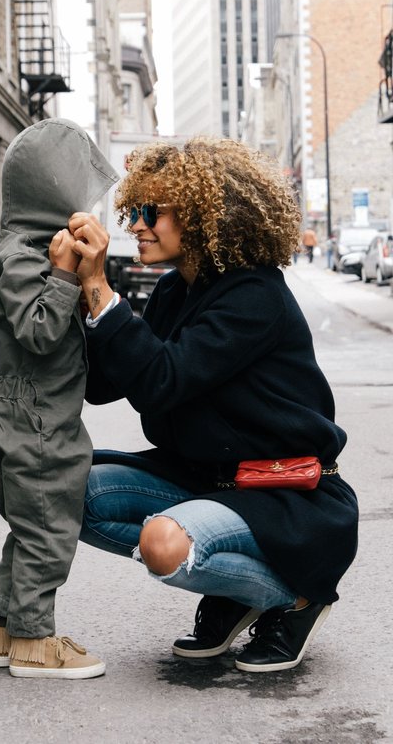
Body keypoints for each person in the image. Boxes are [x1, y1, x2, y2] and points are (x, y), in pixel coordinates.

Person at [68, 137, 358, 673]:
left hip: (283, 494)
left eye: (149, 212)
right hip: (204, 479)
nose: (134, 226)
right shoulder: (175, 291)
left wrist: (101, 289)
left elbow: (160, 380)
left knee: (164, 545)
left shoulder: (255, 295)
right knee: (68, 495)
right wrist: (76, 287)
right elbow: (106, 383)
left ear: (203, 214)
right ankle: (236, 587)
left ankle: (292, 597)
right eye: (132, 211)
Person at [0, 117, 118, 678]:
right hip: (37, 420)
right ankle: (36, 642)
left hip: (16, 411)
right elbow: (38, 331)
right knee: (50, 532)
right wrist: (63, 277)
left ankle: (3, 629)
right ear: (54, 190)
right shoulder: (30, 257)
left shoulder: (12, 249)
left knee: (27, 527)